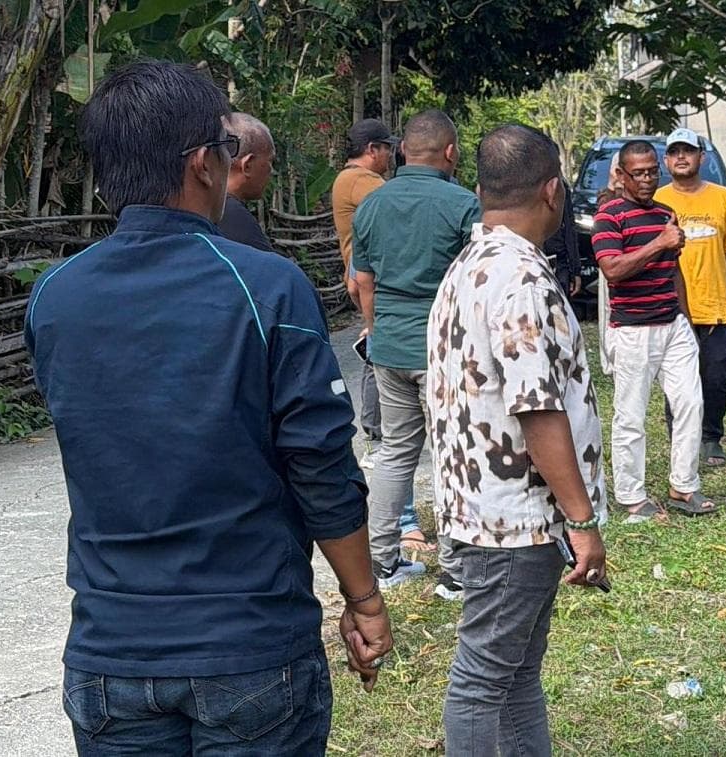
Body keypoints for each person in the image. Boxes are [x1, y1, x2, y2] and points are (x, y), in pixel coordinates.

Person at [26, 60, 390, 755]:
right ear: (202, 162)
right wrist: (364, 597)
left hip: (109, 656)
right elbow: (320, 464)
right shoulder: (268, 287)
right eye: (226, 153)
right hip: (248, 647)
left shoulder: (55, 297)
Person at [429, 123, 608, 757]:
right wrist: (580, 520)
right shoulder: (522, 280)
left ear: (480, 191)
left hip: (484, 508)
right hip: (517, 519)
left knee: (515, 673)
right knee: (482, 679)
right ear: (554, 191)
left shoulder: (467, 268)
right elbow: (537, 409)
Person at [352, 109, 480, 598]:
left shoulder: (373, 204)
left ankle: (382, 561)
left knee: (394, 452)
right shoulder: (462, 204)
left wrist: (373, 329)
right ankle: (454, 571)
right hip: (443, 349)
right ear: (450, 152)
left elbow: (363, 280)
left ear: (402, 150)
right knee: (452, 454)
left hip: (388, 344)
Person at [593, 140, 717, 520]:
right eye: (639, 173)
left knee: (690, 404)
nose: (647, 180)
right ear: (621, 175)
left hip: (672, 323)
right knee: (631, 416)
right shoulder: (608, 217)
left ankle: (684, 485)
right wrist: (659, 242)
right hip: (633, 329)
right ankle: (633, 497)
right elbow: (612, 269)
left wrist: (686, 318)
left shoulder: (666, 213)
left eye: (652, 172)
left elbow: (673, 269)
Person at [654, 128, 726, 467]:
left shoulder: (723, 198)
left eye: (689, 151)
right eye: (675, 152)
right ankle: (681, 442)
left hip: (715, 308)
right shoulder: (657, 202)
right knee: (679, 380)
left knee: (716, 377)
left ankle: (711, 437)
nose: (682, 157)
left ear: (702, 157)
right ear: (666, 160)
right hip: (672, 310)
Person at [332, 118, 399, 467]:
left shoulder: (349, 180)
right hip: (367, 278)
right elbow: (402, 208)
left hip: (362, 277)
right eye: (387, 148)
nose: (390, 154)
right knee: (377, 354)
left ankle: (381, 434)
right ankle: (376, 436)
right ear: (372, 150)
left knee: (379, 350)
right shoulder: (361, 181)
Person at [216, 112, 276, 251]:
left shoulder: (202, 211)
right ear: (247, 165)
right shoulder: (234, 219)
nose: (271, 170)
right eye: (270, 161)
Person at [542, 177, 583, 298]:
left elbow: (569, 227)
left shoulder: (560, 186)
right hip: (531, 256)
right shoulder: (522, 181)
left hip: (558, 261)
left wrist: (575, 269)